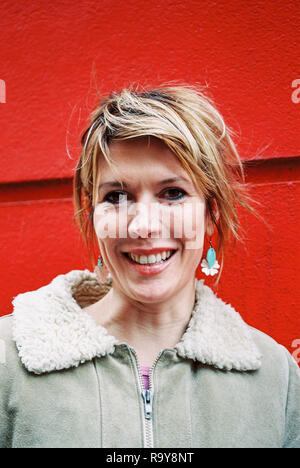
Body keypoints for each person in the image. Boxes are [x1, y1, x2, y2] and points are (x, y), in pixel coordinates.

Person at [0, 84, 299, 448]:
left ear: (211, 213)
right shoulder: (7, 361)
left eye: (172, 193)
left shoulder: (275, 375)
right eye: (116, 197)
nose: (143, 225)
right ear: (92, 216)